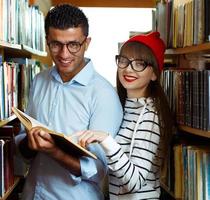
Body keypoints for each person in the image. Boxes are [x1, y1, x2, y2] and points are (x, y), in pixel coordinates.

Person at [15, 4, 123, 200]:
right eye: (56, 44)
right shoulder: (39, 80)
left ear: (87, 43)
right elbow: (22, 146)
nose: (64, 55)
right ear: (47, 41)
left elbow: (98, 170)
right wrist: (31, 143)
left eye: (73, 45)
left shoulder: (104, 94)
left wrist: (54, 151)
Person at [77, 31, 174, 199]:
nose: (128, 69)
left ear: (154, 74)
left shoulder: (150, 116)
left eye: (140, 63)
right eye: (124, 61)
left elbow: (134, 182)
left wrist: (105, 139)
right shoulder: (120, 106)